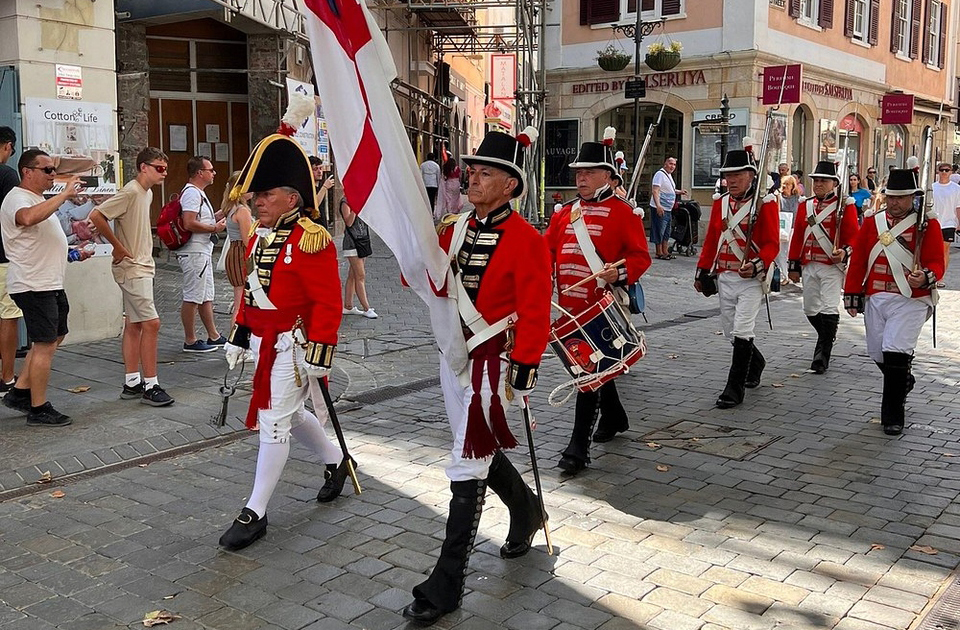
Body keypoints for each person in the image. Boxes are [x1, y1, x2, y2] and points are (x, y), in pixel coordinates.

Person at [403, 128, 552, 626]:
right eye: (472, 171)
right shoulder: (455, 227)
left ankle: (445, 585)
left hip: (496, 365)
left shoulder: (528, 240)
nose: (472, 178)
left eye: (485, 173)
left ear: (510, 185)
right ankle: (527, 510)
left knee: (467, 461)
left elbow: (535, 311)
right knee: (475, 448)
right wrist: (413, 246)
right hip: (454, 355)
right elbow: (421, 278)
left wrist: (525, 366)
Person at [219, 133, 348, 551]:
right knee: (289, 414)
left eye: (266, 194)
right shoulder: (260, 234)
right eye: (257, 195)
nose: (257, 201)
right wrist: (240, 334)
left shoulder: (312, 239)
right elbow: (252, 294)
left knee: (273, 421)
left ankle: (254, 512)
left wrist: (321, 350)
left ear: (291, 198)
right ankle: (336, 460)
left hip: (292, 346)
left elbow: (328, 302)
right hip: (262, 341)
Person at [546, 127, 651, 475]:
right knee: (595, 368)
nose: (581, 178)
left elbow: (640, 258)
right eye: (578, 172)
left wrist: (618, 273)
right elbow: (546, 253)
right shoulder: (564, 213)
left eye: (589, 172)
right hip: (568, 308)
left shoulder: (624, 212)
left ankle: (577, 449)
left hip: (602, 308)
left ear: (607, 176)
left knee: (587, 375)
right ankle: (615, 416)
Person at [843, 169, 943, 436]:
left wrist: (926, 276)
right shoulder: (873, 221)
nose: (894, 202)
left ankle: (892, 416)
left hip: (911, 299)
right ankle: (903, 380)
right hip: (876, 296)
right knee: (878, 352)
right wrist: (852, 292)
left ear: (912, 197)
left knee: (895, 349)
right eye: (891, 197)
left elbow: (937, 261)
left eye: (901, 197)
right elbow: (859, 259)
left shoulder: (927, 223)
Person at [0, 150, 93, 426]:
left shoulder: (39, 199)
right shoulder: (17, 198)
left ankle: (20, 392)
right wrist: (63, 196)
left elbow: (43, 240)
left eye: (54, 169)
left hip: (50, 282)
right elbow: (27, 218)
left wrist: (74, 252)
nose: (53, 174)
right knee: (44, 345)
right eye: (47, 170)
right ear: (27, 172)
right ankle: (38, 408)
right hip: (33, 284)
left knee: (55, 337)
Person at [87, 147, 174, 407]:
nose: (164, 173)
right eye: (159, 168)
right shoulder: (132, 191)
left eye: (165, 169)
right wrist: (117, 247)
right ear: (143, 167)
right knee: (151, 323)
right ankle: (151, 384)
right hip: (133, 267)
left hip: (140, 265)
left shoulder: (145, 193)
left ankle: (133, 381)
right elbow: (97, 215)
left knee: (134, 324)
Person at [695, 147, 779, 409]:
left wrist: (756, 265)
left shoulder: (765, 203)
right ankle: (757, 362)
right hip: (725, 275)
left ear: (751, 175)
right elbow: (712, 240)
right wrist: (702, 270)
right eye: (728, 175)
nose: (731, 180)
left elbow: (772, 243)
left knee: (742, 329)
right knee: (731, 331)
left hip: (751, 279)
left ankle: (734, 388)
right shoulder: (720, 203)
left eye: (737, 175)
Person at [786, 161, 859, 374]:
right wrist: (793, 265)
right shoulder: (805, 205)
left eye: (823, 181)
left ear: (834, 183)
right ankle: (827, 335)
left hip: (831, 266)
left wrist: (844, 251)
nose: (818, 184)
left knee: (829, 307)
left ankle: (822, 355)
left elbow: (854, 236)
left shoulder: (845, 205)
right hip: (809, 264)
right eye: (816, 180)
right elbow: (797, 236)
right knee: (810, 308)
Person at [177, 156, 226, 353]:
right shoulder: (192, 193)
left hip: (202, 250)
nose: (213, 173)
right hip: (194, 251)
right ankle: (190, 340)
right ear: (200, 173)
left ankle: (213, 335)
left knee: (205, 295)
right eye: (210, 170)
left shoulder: (198, 193)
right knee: (193, 296)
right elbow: (189, 222)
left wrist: (218, 216)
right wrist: (214, 228)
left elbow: (201, 218)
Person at [0, 127, 23, 393]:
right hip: (3, 255)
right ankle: (6, 377)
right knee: (9, 315)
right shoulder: (7, 175)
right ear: (8, 146)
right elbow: (16, 215)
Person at [217, 171, 254, 328]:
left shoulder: (230, 207)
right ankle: (235, 336)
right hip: (240, 254)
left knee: (239, 298)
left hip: (233, 251)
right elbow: (247, 240)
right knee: (241, 302)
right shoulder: (242, 210)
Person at [339, 196, 377, 318]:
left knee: (353, 275)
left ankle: (348, 306)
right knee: (360, 275)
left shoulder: (361, 200)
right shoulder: (345, 202)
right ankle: (366, 308)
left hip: (362, 242)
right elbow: (349, 222)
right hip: (352, 243)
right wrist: (356, 208)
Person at [649, 156, 685, 260]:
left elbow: (670, 189)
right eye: (670, 164)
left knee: (666, 231)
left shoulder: (669, 175)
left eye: (674, 164)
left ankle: (665, 251)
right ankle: (659, 252)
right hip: (660, 208)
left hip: (668, 209)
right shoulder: (660, 174)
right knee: (659, 229)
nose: (672, 166)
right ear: (665, 164)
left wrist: (679, 192)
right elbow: (655, 190)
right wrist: (658, 205)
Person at [931, 162, 960, 287]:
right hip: (934, 221)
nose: (944, 172)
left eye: (947, 170)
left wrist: (959, 223)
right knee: (934, 250)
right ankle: (933, 273)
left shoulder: (956, 188)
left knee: (944, 250)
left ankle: (940, 277)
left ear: (951, 172)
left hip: (949, 222)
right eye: (941, 170)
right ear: (938, 171)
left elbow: (958, 207)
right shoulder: (932, 187)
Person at [309, 156, 335, 230]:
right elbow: (314, 205)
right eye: (315, 169)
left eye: (320, 168)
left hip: (322, 228)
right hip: (313, 229)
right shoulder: (307, 188)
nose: (319, 172)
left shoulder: (320, 186)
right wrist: (325, 187)